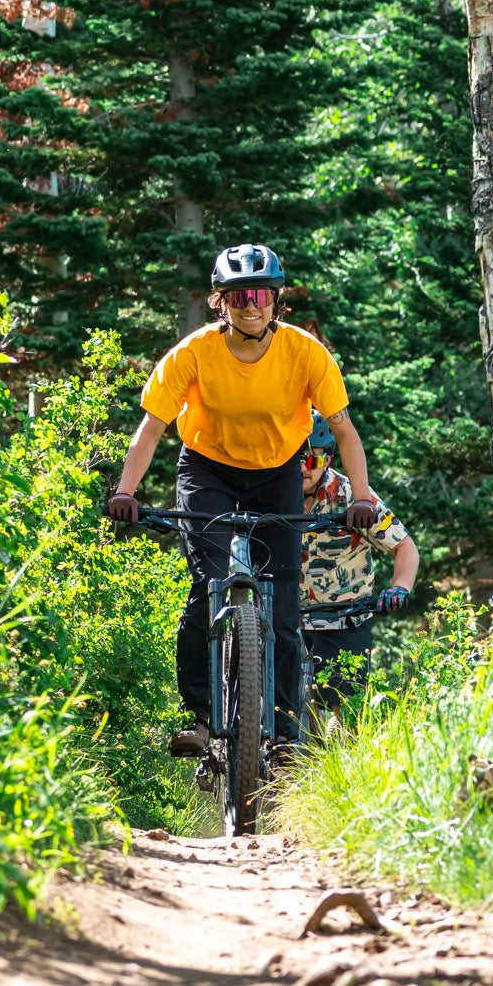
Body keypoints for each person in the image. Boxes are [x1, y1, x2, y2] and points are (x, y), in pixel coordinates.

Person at [103, 244, 379, 756]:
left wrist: (361, 498)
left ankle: (281, 734)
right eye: (236, 296)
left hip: (277, 471)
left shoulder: (305, 353)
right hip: (208, 469)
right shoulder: (192, 354)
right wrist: (126, 491)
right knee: (207, 584)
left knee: (282, 604)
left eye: (259, 295)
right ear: (220, 303)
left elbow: (343, 428)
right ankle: (203, 718)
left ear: (276, 301)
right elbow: (152, 428)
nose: (249, 305)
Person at [298, 410, 419, 714]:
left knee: (346, 718)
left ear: (326, 460)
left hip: (344, 620)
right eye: (295, 459)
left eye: (311, 460)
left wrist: (399, 589)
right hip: (286, 622)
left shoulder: (352, 493)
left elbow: (405, 546)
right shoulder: (270, 496)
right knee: (274, 718)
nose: (302, 468)